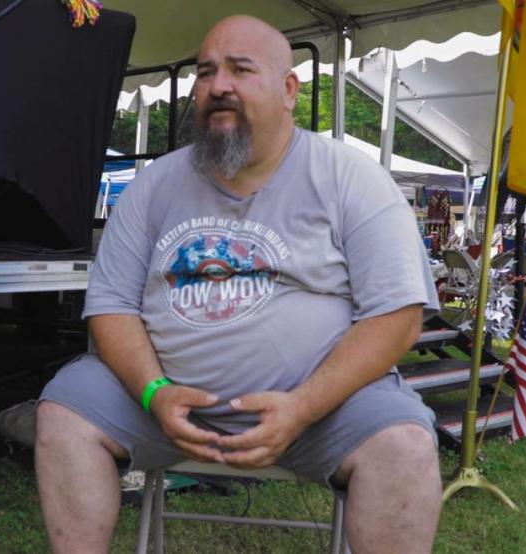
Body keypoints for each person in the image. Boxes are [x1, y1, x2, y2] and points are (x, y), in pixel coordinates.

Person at [33, 15, 442, 553]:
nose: (218, 85)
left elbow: (397, 315)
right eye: (206, 73)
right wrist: (154, 393)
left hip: (322, 408)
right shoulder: (155, 183)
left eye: (240, 69)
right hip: (156, 404)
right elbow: (110, 305)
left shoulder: (350, 178)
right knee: (65, 410)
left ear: (289, 89)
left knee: (405, 446)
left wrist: (302, 407)